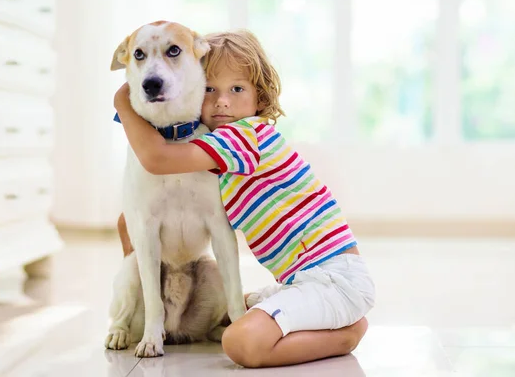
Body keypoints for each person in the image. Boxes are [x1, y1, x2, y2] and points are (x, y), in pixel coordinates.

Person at [113, 30, 375, 368]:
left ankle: (346, 333)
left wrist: (123, 103)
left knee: (239, 342)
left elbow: (158, 159)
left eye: (236, 89)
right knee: (232, 311)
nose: (222, 101)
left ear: (260, 99)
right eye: (210, 89)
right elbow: (135, 215)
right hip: (308, 279)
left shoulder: (243, 136)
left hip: (333, 279)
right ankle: (326, 317)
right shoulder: (221, 142)